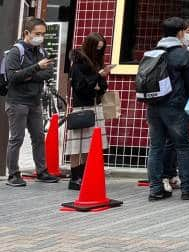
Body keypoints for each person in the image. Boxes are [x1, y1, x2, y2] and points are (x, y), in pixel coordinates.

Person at [146, 17, 189, 201]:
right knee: (183, 146)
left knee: (156, 147)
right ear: (180, 33)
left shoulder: (153, 52)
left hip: (153, 106)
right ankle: (187, 189)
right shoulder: (183, 54)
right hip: (175, 106)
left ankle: (155, 189)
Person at [3, 17, 60, 186]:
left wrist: (28, 75)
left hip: (35, 101)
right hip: (17, 102)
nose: (40, 37)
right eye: (37, 34)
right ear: (27, 33)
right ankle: (13, 175)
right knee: (17, 138)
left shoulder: (41, 52)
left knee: (38, 137)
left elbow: (48, 73)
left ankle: (42, 171)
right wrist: (36, 68)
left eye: (43, 34)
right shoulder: (16, 52)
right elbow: (13, 76)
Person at [161, 18, 189, 193]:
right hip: (176, 102)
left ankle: (168, 177)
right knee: (176, 143)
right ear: (179, 32)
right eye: (187, 31)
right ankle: (175, 180)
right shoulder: (176, 52)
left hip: (179, 102)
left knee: (170, 142)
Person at [66, 33, 111, 190]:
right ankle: (75, 177)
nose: (99, 51)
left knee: (88, 145)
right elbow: (80, 87)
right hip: (82, 107)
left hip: (95, 105)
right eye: (97, 48)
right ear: (90, 46)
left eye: (101, 49)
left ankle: (83, 175)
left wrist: (99, 80)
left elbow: (101, 86)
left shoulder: (95, 62)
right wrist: (97, 77)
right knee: (77, 146)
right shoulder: (78, 64)